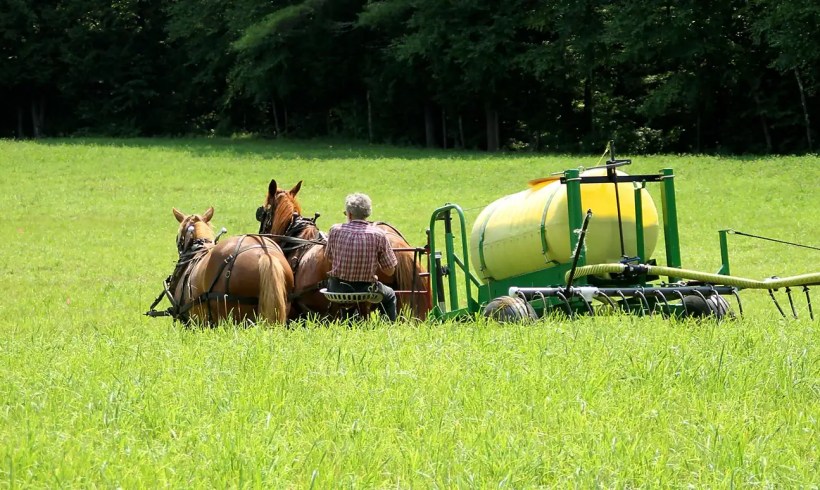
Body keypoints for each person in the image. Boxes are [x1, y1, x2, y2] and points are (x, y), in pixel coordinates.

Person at [325, 193, 398, 321]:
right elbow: (390, 271)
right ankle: (388, 328)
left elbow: (329, 258)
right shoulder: (378, 235)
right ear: (367, 213)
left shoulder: (335, 230)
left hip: (337, 288)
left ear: (349, 214)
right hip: (365, 289)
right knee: (390, 294)